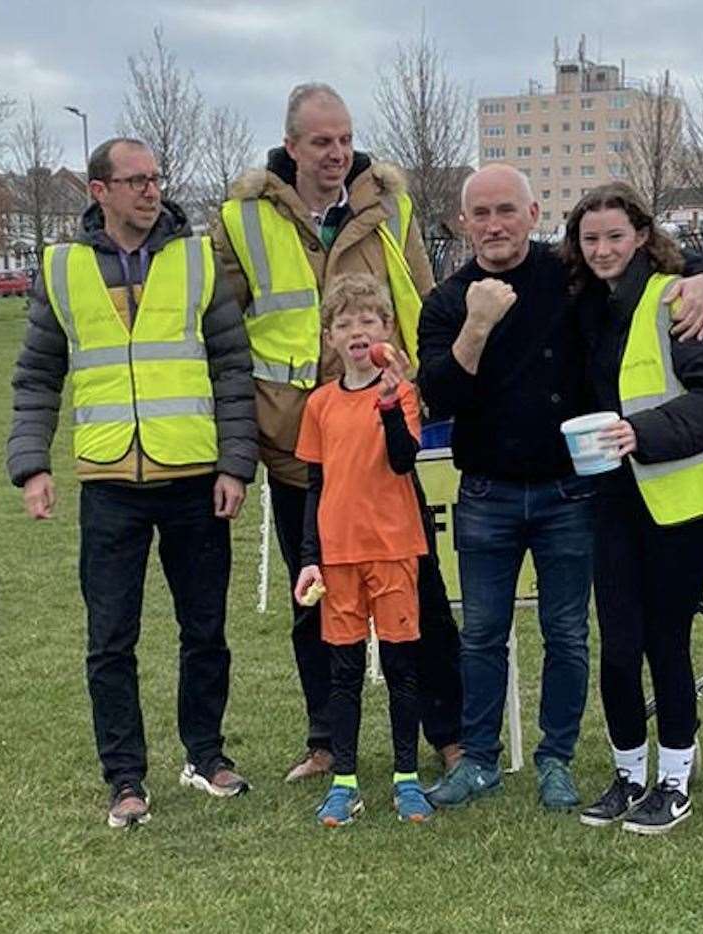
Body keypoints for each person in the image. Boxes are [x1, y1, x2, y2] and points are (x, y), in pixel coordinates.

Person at [416, 164, 703, 811]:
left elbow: (644, 254)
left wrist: (701, 279)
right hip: (486, 493)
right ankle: (479, 760)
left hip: (568, 493)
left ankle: (555, 758)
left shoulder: (568, 276)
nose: (494, 225)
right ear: (462, 223)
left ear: (533, 214)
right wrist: (477, 324)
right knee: (482, 635)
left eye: (506, 211)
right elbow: (436, 398)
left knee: (568, 634)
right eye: (480, 214)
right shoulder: (446, 301)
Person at [214, 83, 464, 783]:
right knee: (314, 599)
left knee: (423, 598)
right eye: (321, 141)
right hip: (301, 444)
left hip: (389, 440)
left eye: (345, 139)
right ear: (290, 146)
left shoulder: (392, 206)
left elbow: (426, 301)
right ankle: (327, 740)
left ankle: (447, 735)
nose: (337, 153)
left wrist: (419, 394)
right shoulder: (242, 219)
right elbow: (226, 331)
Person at [7, 137, 258, 829]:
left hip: (195, 477)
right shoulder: (60, 270)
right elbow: (36, 377)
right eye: (136, 180)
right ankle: (125, 779)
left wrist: (236, 465)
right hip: (109, 481)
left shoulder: (198, 259)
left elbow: (232, 370)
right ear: (100, 191)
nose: (152, 191)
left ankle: (205, 755)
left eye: (157, 179)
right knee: (110, 640)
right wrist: (32, 466)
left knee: (204, 629)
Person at [561, 183, 703, 834]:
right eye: (591, 238)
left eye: (615, 235)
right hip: (611, 497)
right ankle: (626, 774)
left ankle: (673, 779)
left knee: (666, 641)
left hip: (682, 500)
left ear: (641, 234)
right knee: (617, 645)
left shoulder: (676, 297)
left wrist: (645, 433)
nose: (604, 248)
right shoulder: (584, 301)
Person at [291, 273, 433, 826]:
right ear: (329, 337)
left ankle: (407, 778)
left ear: (387, 329)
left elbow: (403, 461)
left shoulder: (402, 393)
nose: (356, 331)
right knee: (344, 673)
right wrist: (309, 556)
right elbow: (315, 486)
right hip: (338, 557)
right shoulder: (321, 404)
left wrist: (390, 403)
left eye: (367, 321)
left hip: (394, 549)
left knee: (402, 669)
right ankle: (345, 781)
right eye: (344, 323)